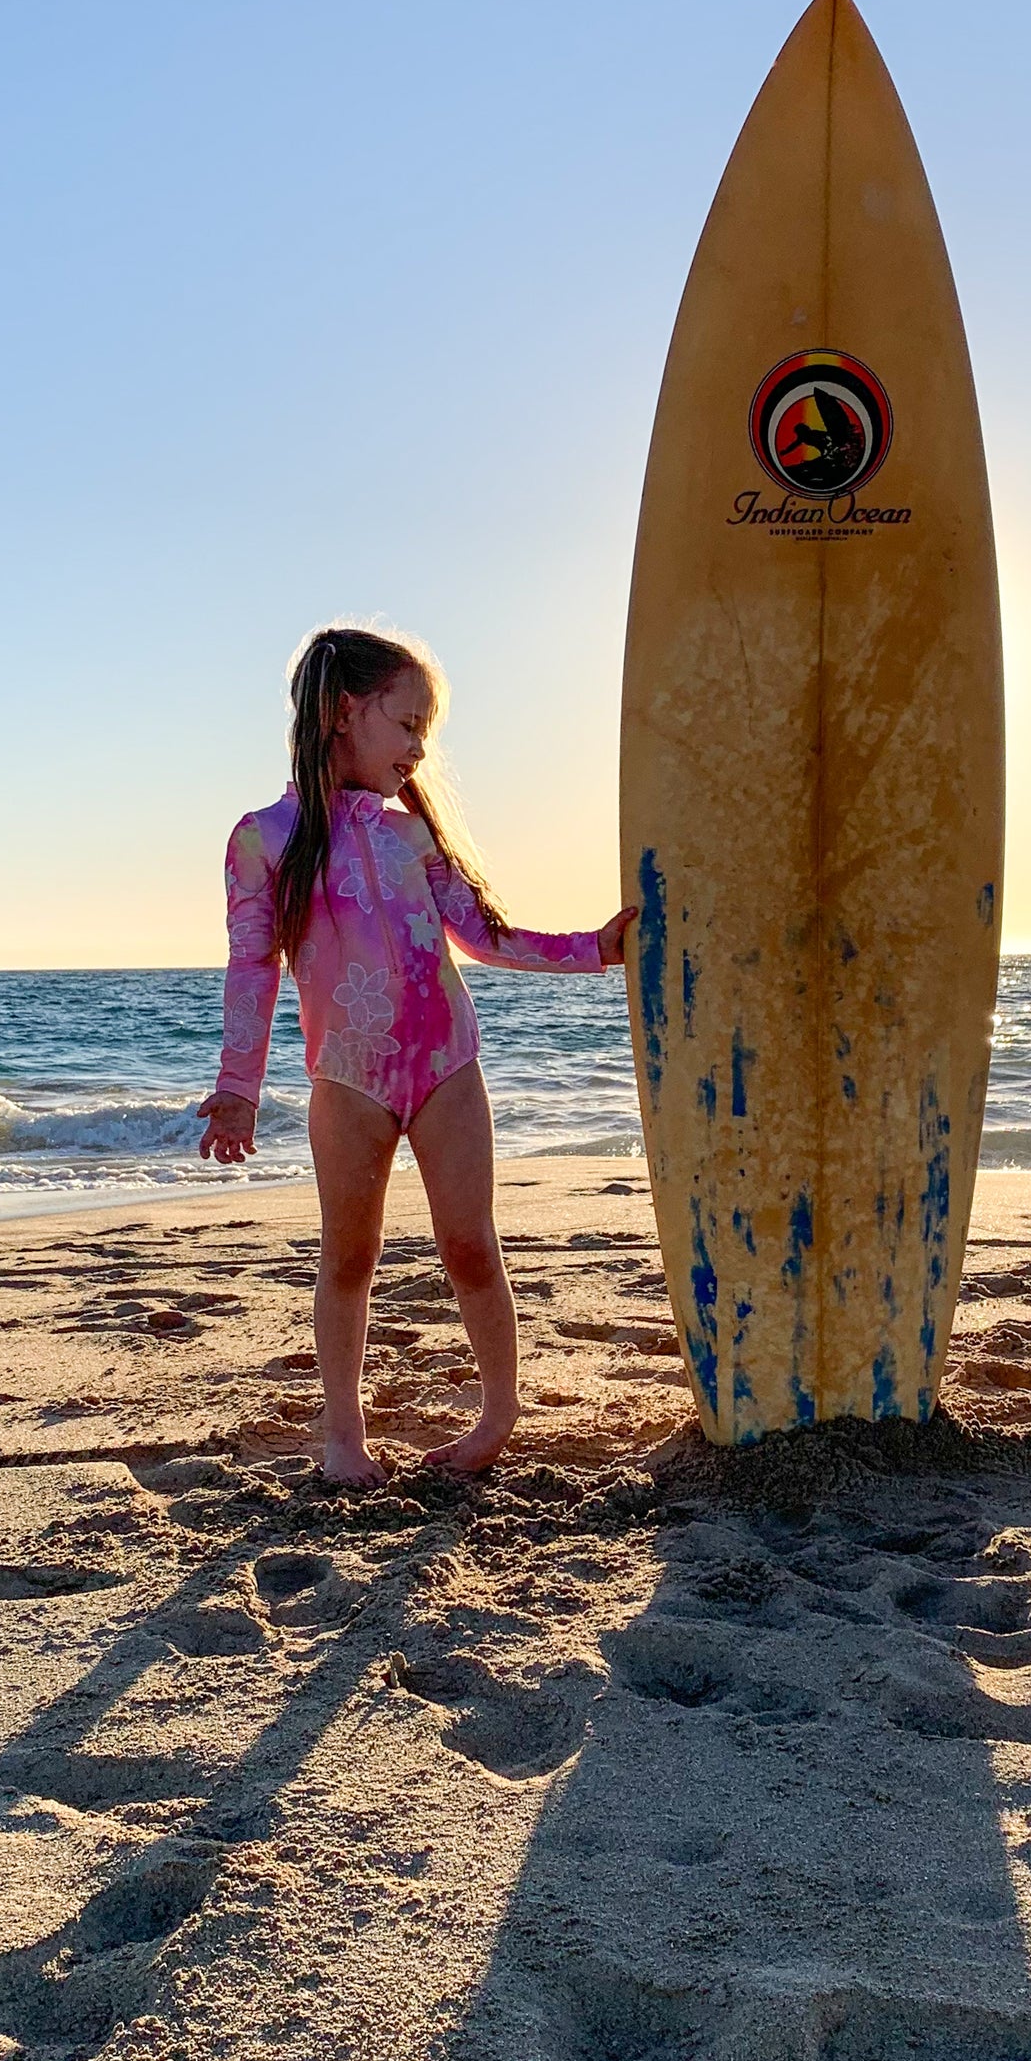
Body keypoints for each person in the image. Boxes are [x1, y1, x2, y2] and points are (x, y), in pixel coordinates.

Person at [197, 624, 634, 1484]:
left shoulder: (410, 835)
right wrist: (236, 1087)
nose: (418, 749)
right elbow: (250, 968)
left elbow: (481, 935)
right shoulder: (263, 839)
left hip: (446, 1065)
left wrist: (595, 949)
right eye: (408, 726)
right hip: (347, 1079)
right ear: (344, 712)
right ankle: (344, 1437)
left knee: (470, 1243)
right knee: (348, 1257)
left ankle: (498, 1412)